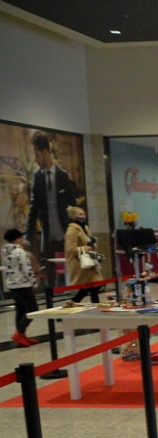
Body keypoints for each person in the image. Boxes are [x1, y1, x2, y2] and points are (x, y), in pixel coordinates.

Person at [25, 132, 78, 287]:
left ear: (45, 153)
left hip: (64, 232)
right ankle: (50, 304)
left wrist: (81, 229)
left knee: (71, 268)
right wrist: (28, 235)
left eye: (37, 155)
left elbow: (72, 205)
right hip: (48, 235)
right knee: (48, 271)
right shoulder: (38, 176)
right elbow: (33, 208)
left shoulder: (63, 176)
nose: (35, 159)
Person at [3, 228, 44, 346]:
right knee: (33, 309)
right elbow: (26, 269)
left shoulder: (6, 251)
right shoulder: (20, 252)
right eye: (21, 238)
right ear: (17, 239)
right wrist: (34, 282)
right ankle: (19, 333)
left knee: (20, 309)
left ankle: (22, 337)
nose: (22, 240)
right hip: (23, 284)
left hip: (12, 284)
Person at [64, 206, 103, 303]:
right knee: (89, 288)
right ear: (74, 216)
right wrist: (85, 249)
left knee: (94, 286)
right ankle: (73, 303)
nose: (83, 216)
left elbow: (88, 241)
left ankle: (76, 303)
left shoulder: (85, 228)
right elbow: (70, 249)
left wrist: (93, 245)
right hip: (80, 264)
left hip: (89, 263)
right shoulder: (72, 229)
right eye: (80, 214)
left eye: (84, 214)